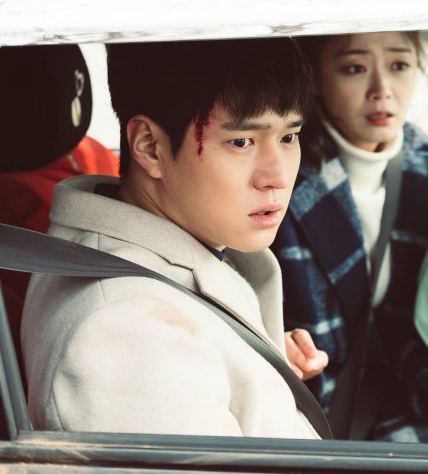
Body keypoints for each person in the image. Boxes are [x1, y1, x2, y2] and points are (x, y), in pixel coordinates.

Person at [21, 38, 321, 439]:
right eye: (241, 142)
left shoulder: (161, 256)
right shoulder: (128, 330)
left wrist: (264, 368)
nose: (278, 177)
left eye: (288, 137)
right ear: (149, 147)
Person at [271, 31, 428, 444]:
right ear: (314, 78)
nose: (382, 90)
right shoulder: (281, 171)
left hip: (389, 391)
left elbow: (404, 320)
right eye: (354, 68)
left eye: (399, 65)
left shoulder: (417, 157)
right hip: (302, 406)